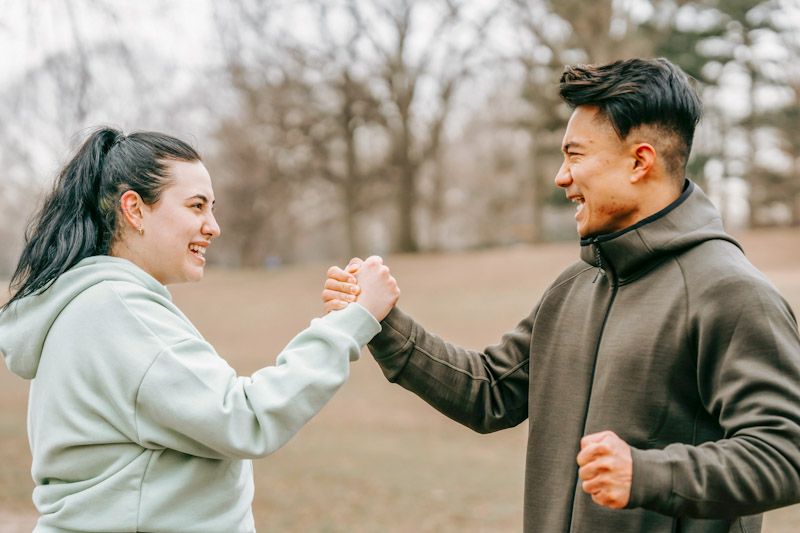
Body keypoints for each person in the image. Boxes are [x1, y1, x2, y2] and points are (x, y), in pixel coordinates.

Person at [323, 58, 800, 532]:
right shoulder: (576, 286)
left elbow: (786, 453)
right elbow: (490, 392)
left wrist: (650, 474)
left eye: (575, 156)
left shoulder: (732, 293)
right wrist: (381, 320)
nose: (561, 177)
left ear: (640, 161)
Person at [0, 127, 400, 533]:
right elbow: (245, 418)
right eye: (196, 206)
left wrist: (343, 319)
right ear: (135, 210)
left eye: (212, 208)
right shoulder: (116, 310)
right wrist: (353, 321)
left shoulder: (95, 306)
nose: (213, 226)